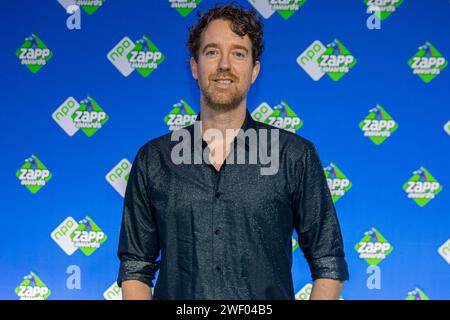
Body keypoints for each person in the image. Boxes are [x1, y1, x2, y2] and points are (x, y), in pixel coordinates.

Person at [117, 4, 349, 300]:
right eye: (212, 52)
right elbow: (136, 266)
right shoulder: (155, 159)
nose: (224, 65)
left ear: (254, 71)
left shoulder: (293, 155)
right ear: (194, 66)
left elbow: (328, 260)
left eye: (238, 53)